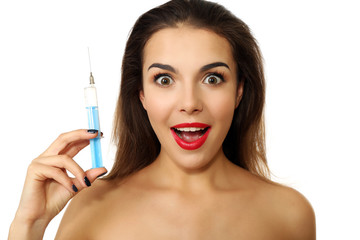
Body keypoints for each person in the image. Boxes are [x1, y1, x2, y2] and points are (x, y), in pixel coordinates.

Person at [9, 0, 316, 239]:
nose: (189, 104)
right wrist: (29, 225)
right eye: (165, 80)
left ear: (239, 91)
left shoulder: (289, 214)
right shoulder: (91, 207)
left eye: (212, 78)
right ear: (140, 93)